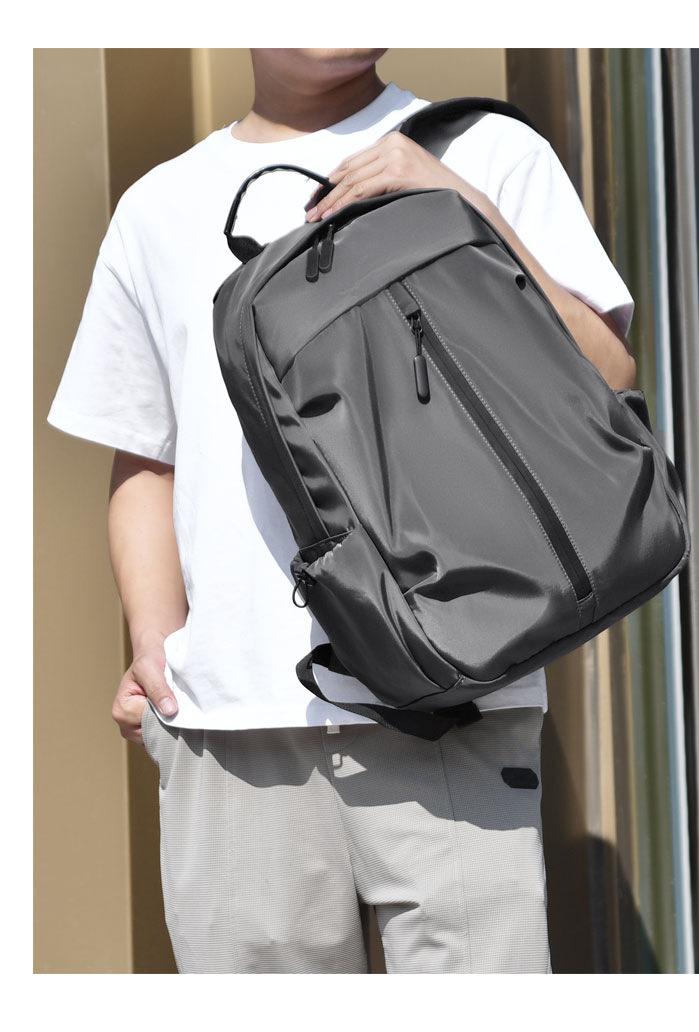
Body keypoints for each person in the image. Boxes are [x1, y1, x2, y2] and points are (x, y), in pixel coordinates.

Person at [47, 48, 635, 974]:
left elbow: (606, 371)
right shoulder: (157, 208)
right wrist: (156, 642)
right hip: (232, 725)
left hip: (456, 697)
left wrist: (459, 206)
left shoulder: (484, 151)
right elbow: (147, 455)